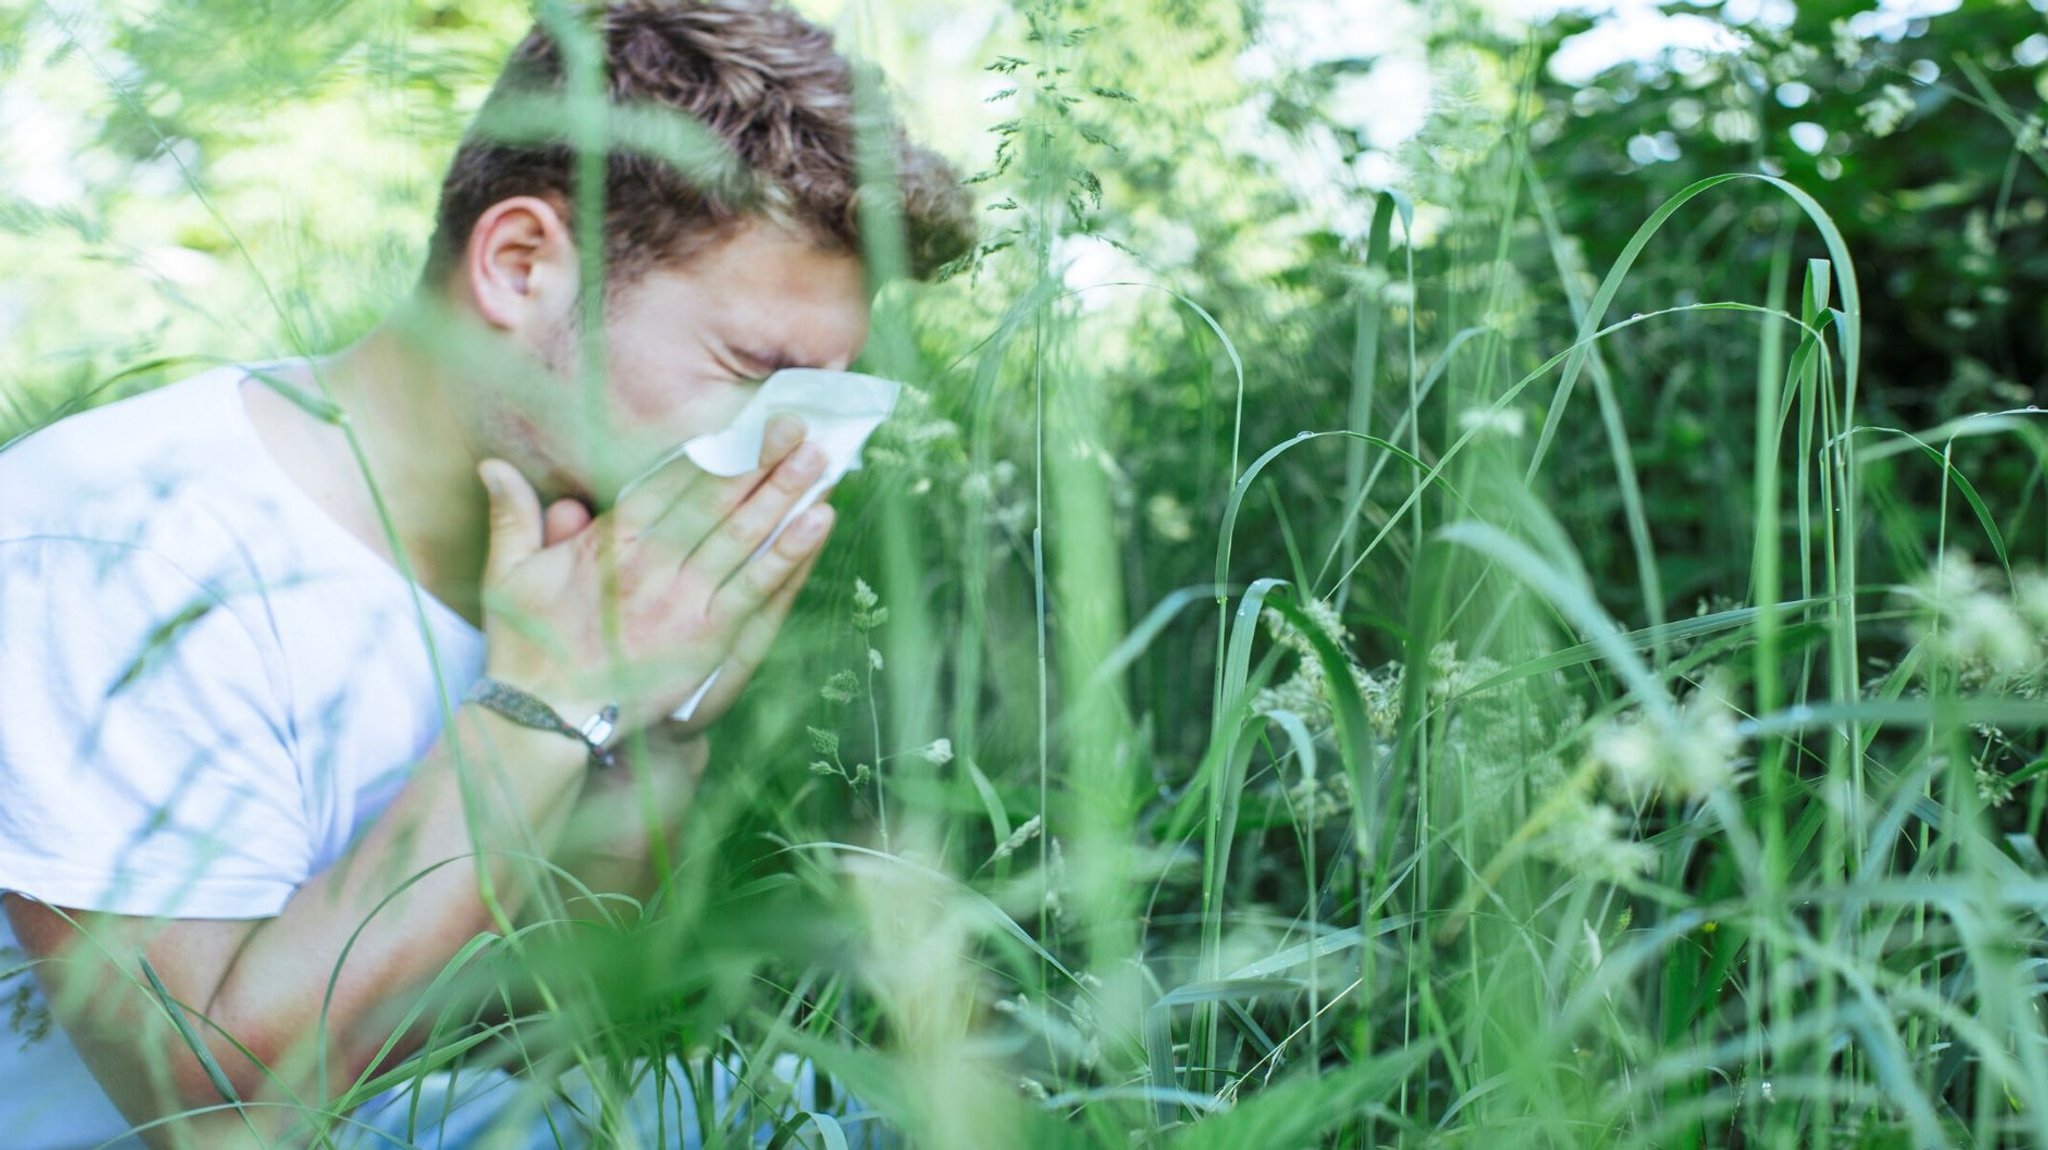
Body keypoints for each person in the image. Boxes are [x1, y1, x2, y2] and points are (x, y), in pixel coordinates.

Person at [0, 1, 972, 1147]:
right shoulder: (121, 541)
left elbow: (547, 1004)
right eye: (748, 368)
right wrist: (546, 704)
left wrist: (662, 722)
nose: (786, 449)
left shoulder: (580, 550)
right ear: (520, 266)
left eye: (824, 397)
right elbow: (221, 1111)